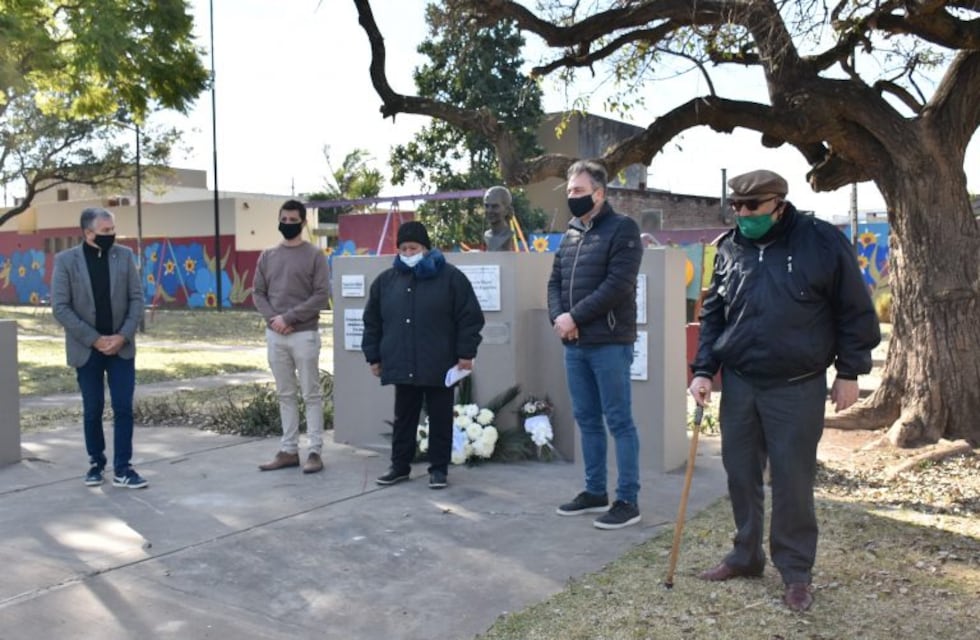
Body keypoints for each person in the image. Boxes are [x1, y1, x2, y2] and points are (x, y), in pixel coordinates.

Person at [688, 169, 880, 612]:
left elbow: (855, 311)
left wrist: (850, 372)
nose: (741, 215)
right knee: (740, 475)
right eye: (734, 207)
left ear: (778, 204)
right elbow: (714, 312)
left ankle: (795, 572)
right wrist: (703, 371)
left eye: (751, 207)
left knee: (792, 481)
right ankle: (745, 555)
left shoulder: (821, 242)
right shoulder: (729, 247)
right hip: (739, 382)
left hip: (796, 386)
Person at [548, 160, 644, 530]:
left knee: (619, 421)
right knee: (586, 420)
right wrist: (559, 318)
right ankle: (594, 491)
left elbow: (618, 284)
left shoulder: (623, 230)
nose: (572, 197)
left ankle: (627, 500)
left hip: (609, 343)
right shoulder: (571, 233)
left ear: (599, 193)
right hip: (575, 344)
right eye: (569, 190)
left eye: (578, 190)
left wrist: (575, 318)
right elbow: (554, 282)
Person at [362, 220, 484, 489]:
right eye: (403, 248)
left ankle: (438, 469)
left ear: (426, 248)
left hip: (440, 364)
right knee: (404, 417)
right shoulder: (385, 282)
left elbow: (470, 318)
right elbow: (372, 322)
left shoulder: (451, 278)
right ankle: (399, 466)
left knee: (440, 417)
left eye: (413, 247)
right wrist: (373, 356)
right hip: (401, 363)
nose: (408, 253)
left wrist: (466, 353)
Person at [51, 207, 147, 489]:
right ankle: (96, 463)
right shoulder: (66, 261)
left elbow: (137, 300)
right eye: (106, 231)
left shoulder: (125, 256)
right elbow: (60, 307)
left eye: (113, 229)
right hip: (86, 348)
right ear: (88, 232)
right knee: (93, 408)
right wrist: (94, 338)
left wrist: (122, 336)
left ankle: (123, 468)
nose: (112, 235)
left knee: (123, 408)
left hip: (121, 348)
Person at [253, 199, 331, 474]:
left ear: (303, 222)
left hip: (304, 335)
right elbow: (258, 293)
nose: (287, 224)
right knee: (285, 394)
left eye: (292, 220)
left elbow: (322, 294)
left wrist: (290, 317)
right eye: (283, 220)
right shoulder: (267, 256)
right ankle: (288, 450)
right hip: (275, 335)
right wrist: (274, 320)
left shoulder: (314, 256)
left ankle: (314, 451)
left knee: (311, 394)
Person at [483, 186, 516, 252]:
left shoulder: (508, 235)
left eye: (495, 206)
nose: (489, 210)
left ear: (506, 210)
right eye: (487, 206)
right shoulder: (486, 235)